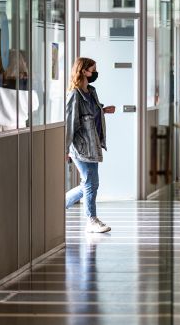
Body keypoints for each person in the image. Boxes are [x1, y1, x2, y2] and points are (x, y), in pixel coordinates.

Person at [65, 57, 116, 233]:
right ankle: (91, 220)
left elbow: (91, 111)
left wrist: (103, 109)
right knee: (90, 182)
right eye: (93, 69)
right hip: (81, 147)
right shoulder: (74, 95)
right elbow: (70, 123)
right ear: (83, 71)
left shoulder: (91, 91)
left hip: (93, 144)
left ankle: (60, 206)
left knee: (89, 183)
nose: (95, 73)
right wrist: (64, 149)